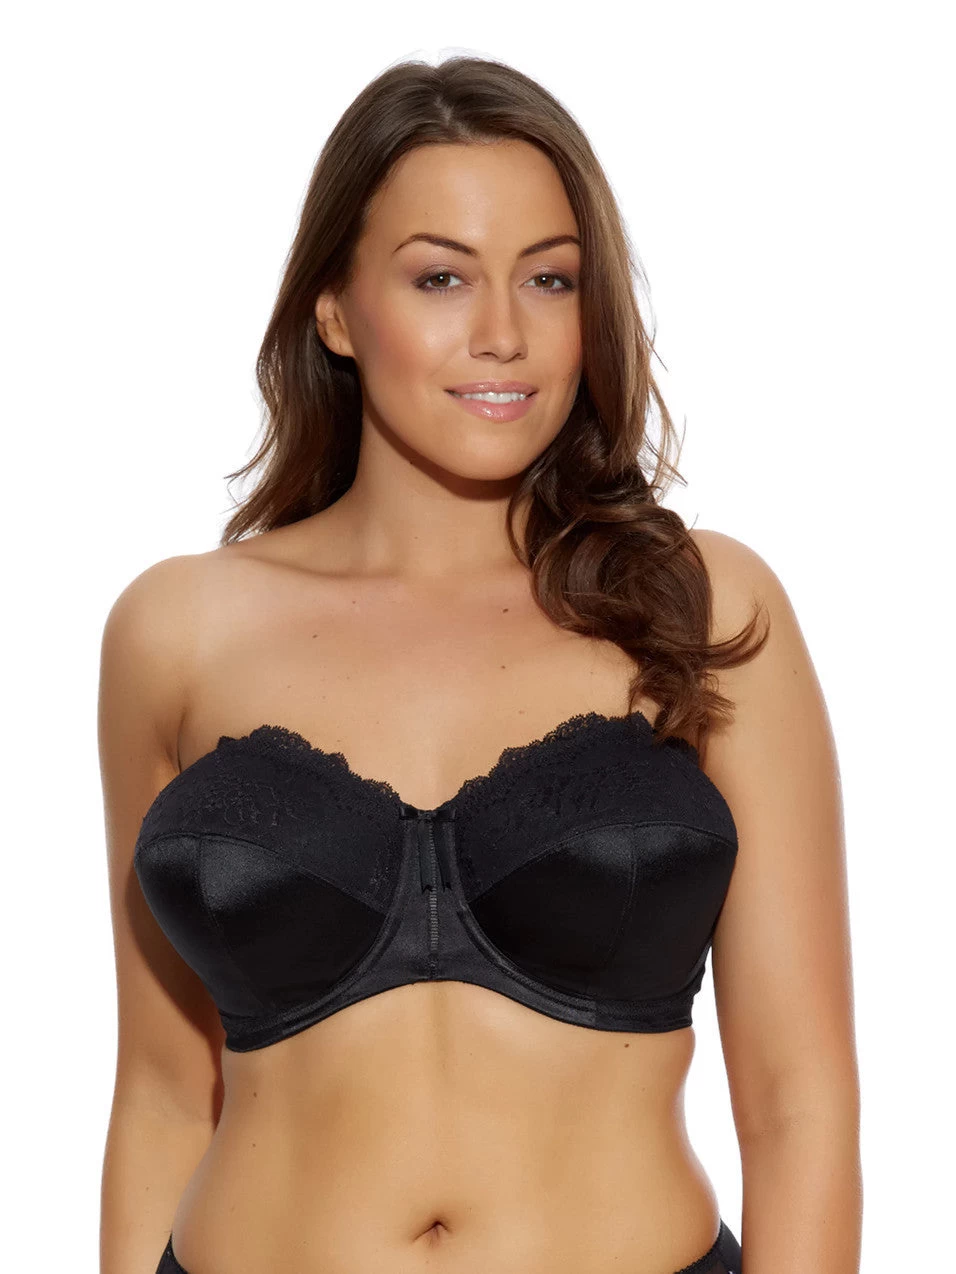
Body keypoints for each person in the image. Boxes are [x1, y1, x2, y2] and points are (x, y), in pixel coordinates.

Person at [98, 54, 862, 1274]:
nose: (502, 333)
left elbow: (796, 1102)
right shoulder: (177, 629)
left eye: (549, 278)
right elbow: (160, 1096)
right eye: (440, 277)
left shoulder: (697, 605)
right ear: (333, 310)